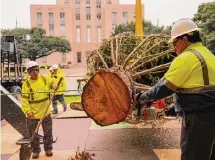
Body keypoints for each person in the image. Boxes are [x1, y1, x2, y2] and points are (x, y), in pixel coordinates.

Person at [134, 19, 215, 160]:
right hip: (210, 116)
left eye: (174, 43)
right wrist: (174, 107)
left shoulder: (186, 58)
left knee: (192, 156)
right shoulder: (209, 55)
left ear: (184, 39)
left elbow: (162, 89)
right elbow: (199, 89)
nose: (174, 48)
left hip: (198, 120)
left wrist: (140, 98)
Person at [21, 61, 57, 159]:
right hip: (32, 114)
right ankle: (35, 150)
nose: (36, 73)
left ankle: (48, 149)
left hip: (45, 112)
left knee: (48, 132)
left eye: (37, 70)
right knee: (33, 134)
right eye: (33, 71)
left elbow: (52, 82)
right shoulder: (26, 84)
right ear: (29, 72)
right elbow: (24, 100)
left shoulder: (45, 79)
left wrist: (54, 85)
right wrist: (28, 111)